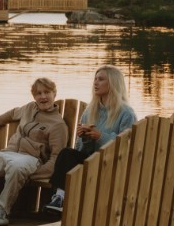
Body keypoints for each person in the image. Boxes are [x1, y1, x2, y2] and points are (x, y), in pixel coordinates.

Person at [0, 77, 69, 226]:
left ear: (54, 94)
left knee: (17, 165)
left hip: (30, 160)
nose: (43, 97)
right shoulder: (29, 108)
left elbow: (57, 158)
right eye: (38, 93)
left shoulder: (58, 125)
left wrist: (34, 174)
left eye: (47, 92)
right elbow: (11, 114)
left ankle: (3, 210)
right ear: (34, 96)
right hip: (8, 154)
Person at [45, 65, 137, 213]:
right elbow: (82, 150)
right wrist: (85, 138)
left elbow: (127, 145)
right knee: (67, 153)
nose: (95, 83)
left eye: (101, 79)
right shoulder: (90, 110)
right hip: (91, 160)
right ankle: (59, 198)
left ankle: (59, 202)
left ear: (113, 83)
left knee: (69, 156)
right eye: (95, 79)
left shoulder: (126, 113)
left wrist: (100, 136)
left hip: (113, 163)